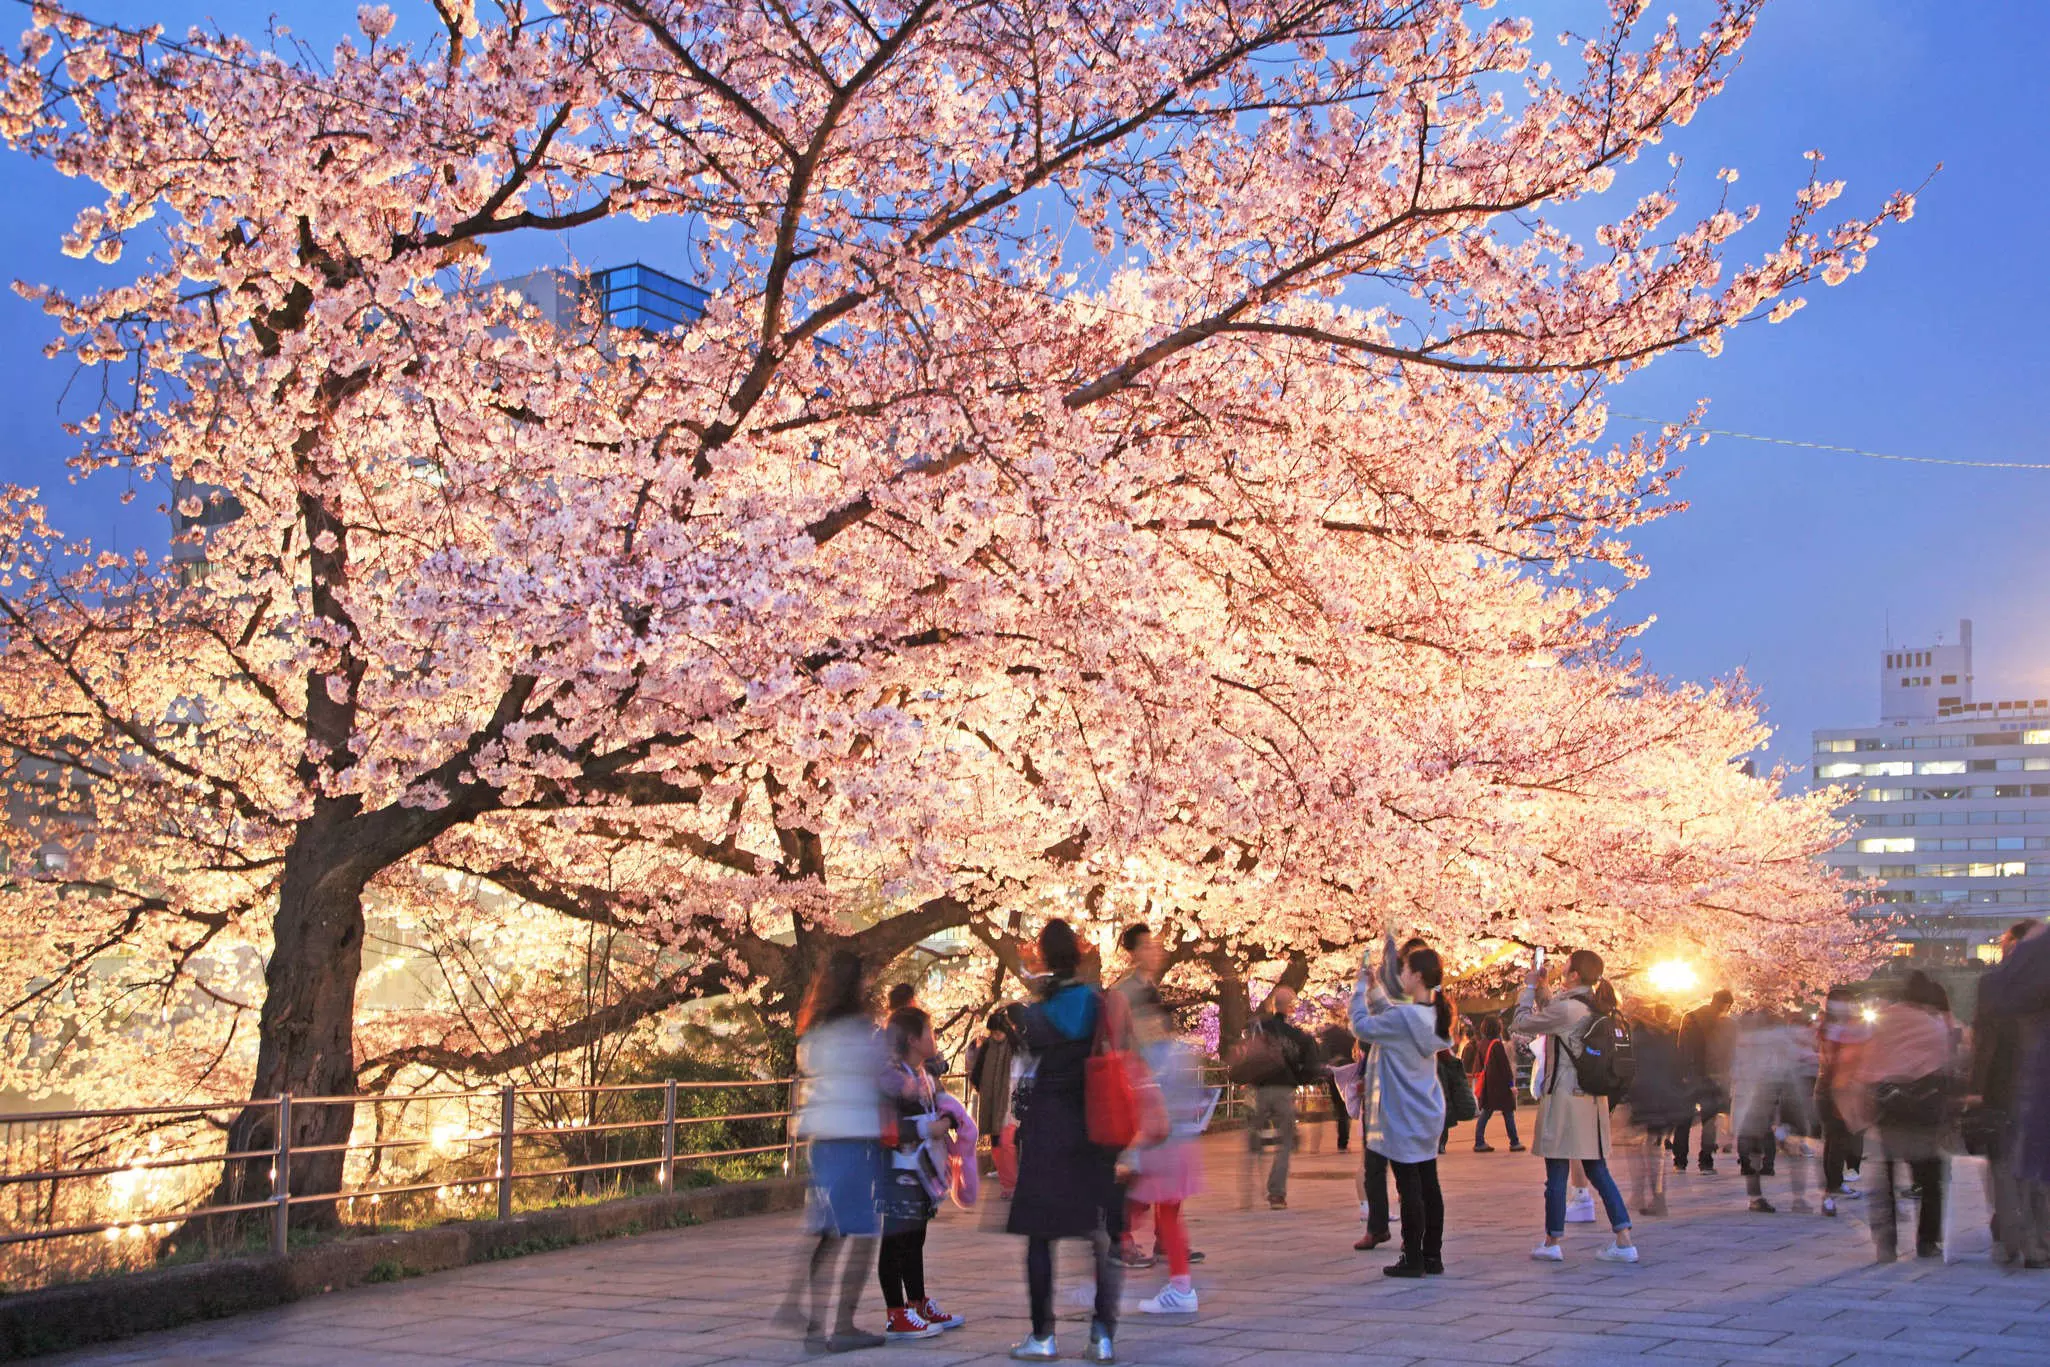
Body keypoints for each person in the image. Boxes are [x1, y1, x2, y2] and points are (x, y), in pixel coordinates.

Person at [1007, 919, 1124, 1364]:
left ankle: (1043, 1335)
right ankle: (1102, 1335)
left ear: (1043, 955)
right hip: (1095, 1121)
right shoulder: (1098, 1002)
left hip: (1048, 1126)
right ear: (1078, 953)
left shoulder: (1037, 1011)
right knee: (1101, 1236)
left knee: (1041, 1234)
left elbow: (1025, 1056)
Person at [779, 949, 891, 1353]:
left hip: (821, 1138)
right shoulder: (860, 1031)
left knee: (826, 1229)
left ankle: (806, 1316)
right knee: (861, 1233)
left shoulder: (814, 1032)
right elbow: (881, 1073)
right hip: (856, 1137)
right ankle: (842, 1323)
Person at [1514, 949, 1638, 1264]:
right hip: (1592, 1101)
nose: (1560, 972)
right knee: (1597, 1169)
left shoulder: (1568, 1009)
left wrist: (1529, 989)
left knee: (1556, 1171)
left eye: (1565, 968)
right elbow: (1555, 1012)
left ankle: (1552, 1240)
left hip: (1565, 1099)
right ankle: (1624, 1239)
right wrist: (1543, 990)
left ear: (1574, 976)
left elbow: (1523, 1023)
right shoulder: (1595, 1006)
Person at [1350, 942, 1454, 1276]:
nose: (1402, 975)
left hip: (1403, 1113)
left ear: (1418, 976)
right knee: (1428, 1183)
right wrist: (1375, 987)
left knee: (1408, 1187)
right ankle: (1432, 1255)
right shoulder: (1432, 1014)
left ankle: (1412, 1258)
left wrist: (1358, 991)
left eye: (1406, 969)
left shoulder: (1405, 1017)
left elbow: (1362, 1025)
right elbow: (1393, 1015)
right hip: (1427, 1109)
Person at [1112, 922, 1206, 1274]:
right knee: (1139, 1168)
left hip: (1162, 1086)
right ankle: (1123, 1239)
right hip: (1141, 1087)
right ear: (1134, 952)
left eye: (1157, 945)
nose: (1156, 951)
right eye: (1148, 946)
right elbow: (1120, 1039)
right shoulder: (1124, 991)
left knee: (1168, 1165)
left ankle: (1167, 1241)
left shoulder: (1150, 988)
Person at [1849, 971, 1957, 1262]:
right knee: (1930, 1178)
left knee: (1885, 1173)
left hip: (1889, 1105)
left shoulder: (1884, 1019)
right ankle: (1927, 1241)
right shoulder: (1933, 1024)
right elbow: (1945, 1066)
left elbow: (1866, 1062)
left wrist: (1862, 1103)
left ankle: (1886, 1241)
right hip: (1923, 1108)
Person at [876, 1007, 963, 1339]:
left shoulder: (921, 1074)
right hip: (898, 1170)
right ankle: (895, 1314)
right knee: (895, 1240)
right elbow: (888, 1126)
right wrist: (933, 1127)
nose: (935, 1038)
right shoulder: (891, 1077)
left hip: (921, 1170)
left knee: (915, 1237)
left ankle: (917, 1302)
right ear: (913, 1039)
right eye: (931, 1032)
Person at [1977, 919, 2050, 1268]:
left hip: (2011, 1087)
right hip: (2015, 1088)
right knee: (2021, 1171)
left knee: (2011, 1171)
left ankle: (2017, 1239)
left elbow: (1983, 1043)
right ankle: (2029, 1240)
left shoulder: (1996, 984)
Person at [1355, 931, 1429, 1250]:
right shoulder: (1401, 999)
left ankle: (1415, 1237)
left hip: (1403, 1095)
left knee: (1406, 1169)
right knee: (1374, 1164)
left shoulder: (1427, 1005)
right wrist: (1372, 988)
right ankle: (1378, 1225)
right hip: (1379, 1092)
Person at [1242, 983, 1319, 1211]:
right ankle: (1276, 1193)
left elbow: (1246, 1055)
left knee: (1253, 1138)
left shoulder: (1258, 1028)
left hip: (1258, 1090)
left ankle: (1246, 1191)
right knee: (1285, 1141)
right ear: (1290, 1008)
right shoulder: (1298, 1037)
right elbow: (1310, 1068)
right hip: (1284, 1090)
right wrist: (1300, 1078)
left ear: (1272, 1004)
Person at [1732, 1009, 1813, 1214]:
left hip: (1752, 1098)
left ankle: (1755, 1197)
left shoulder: (1744, 1041)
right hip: (1781, 1093)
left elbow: (1736, 1071)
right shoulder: (1781, 1037)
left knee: (1754, 1150)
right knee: (1794, 1145)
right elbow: (1797, 1060)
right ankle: (1799, 1199)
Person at [1622, 1003, 1687, 1216]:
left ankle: (1643, 1195)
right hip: (1666, 1099)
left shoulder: (1634, 1039)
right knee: (1655, 1150)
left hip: (1645, 1099)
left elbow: (1628, 1069)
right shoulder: (1667, 1037)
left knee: (1639, 1149)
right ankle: (1656, 1198)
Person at [1815, 986, 1871, 1216]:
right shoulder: (1837, 1031)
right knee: (1838, 1139)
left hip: (1828, 1090)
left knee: (1834, 1139)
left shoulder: (1828, 1028)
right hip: (1836, 1090)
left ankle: (1833, 1184)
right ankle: (1834, 1186)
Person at [1673, 989, 1736, 1174]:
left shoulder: (1690, 1017)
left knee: (1684, 1118)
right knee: (1709, 1120)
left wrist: (1682, 1072)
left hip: (1690, 1075)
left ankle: (1680, 1161)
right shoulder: (1726, 1024)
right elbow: (1729, 1052)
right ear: (1726, 1005)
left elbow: (1681, 1047)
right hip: (1713, 1076)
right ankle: (1706, 1162)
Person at [970, 1004, 1027, 1199]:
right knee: (996, 1142)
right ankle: (1006, 1184)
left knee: (1006, 1141)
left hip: (1009, 1100)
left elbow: (1023, 1055)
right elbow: (978, 1070)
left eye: (998, 1031)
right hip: (992, 1099)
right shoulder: (987, 1046)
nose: (995, 1035)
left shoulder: (1014, 1044)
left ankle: (1011, 1184)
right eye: (992, 1032)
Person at [1473, 1016, 1523, 1153]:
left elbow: (1477, 1065)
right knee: (1508, 1113)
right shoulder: (1497, 1044)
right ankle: (1514, 1141)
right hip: (1500, 1086)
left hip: (1488, 1086)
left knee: (1486, 1113)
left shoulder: (1482, 1043)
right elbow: (1505, 1067)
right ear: (1497, 1028)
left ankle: (1479, 1141)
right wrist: (1511, 1084)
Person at [1320, 1021, 1360, 1154]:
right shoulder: (1346, 1037)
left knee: (1339, 1109)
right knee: (1345, 1106)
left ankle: (1342, 1142)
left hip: (1334, 1074)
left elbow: (1322, 1058)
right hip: (1348, 1071)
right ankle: (1344, 1140)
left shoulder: (1326, 1040)